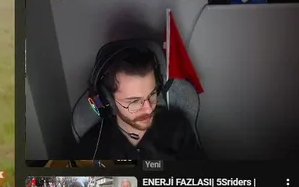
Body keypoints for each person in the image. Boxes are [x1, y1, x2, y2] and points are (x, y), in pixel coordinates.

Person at [74, 45, 204, 160]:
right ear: (108, 101)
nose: (149, 109)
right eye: (135, 101)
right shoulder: (92, 148)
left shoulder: (178, 128)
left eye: (152, 94)